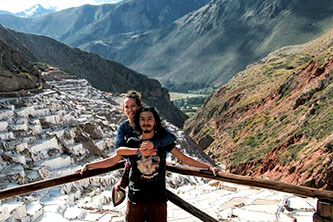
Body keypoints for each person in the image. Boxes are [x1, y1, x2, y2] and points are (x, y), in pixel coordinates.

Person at [79, 106, 219, 222]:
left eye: (149, 119)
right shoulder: (131, 143)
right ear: (138, 122)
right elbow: (113, 160)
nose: (146, 122)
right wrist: (90, 166)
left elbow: (184, 159)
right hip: (135, 199)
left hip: (158, 199)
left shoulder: (163, 143)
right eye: (143, 119)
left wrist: (208, 167)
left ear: (155, 122)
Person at [113, 91, 176, 196]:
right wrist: (139, 152)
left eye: (133, 106)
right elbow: (119, 149)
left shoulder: (148, 122)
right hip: (134, 167)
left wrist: (154, 144)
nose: (130, 110)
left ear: (139, 106)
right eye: (126, 107)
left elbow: (171, 137)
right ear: (123, 110)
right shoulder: (123, 127)